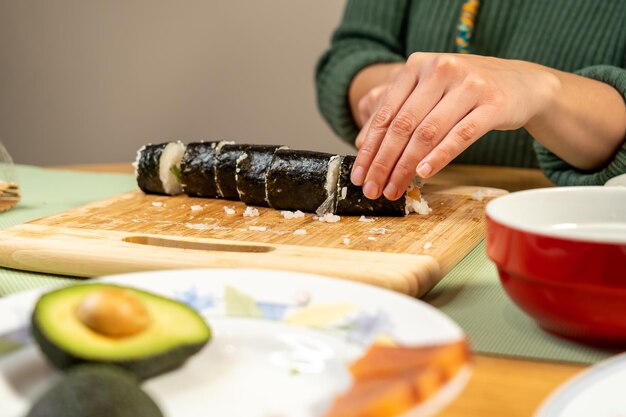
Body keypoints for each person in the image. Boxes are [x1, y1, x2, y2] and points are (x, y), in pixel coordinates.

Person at [315, 0, 626, 201]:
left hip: (585, 232)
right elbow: (352, 52)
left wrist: (544, 91)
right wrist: (398, 88)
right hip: (428, 208)